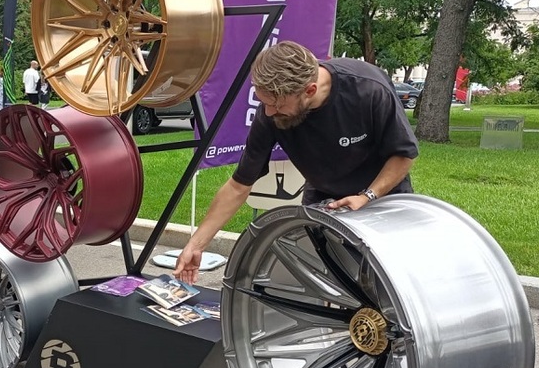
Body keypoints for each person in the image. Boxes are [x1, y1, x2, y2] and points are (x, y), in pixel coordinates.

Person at [173, 41, 418, 285]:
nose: (269, 113)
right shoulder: (270, 113)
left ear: (310, 91)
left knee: (386, 286)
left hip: (380, 199)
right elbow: (239, 185)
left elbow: (403, 154)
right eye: (263, 102)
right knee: (323, 284)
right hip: (324, 201)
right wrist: (196, 244)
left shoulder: (367, 88)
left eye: (276, 105)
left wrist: (367, 196)